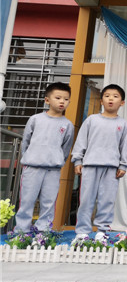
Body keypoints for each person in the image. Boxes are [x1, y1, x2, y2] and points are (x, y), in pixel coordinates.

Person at [72, 84, 127, 242]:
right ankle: (82, 232)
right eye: (107, 96)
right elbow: (81, 141)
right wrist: (78, 160)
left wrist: (123, 165)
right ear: (101, 101)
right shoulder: (92, 120)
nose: (111, 99)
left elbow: (125, 146)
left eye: (115, 96)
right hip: (90, 165)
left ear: (122, 102)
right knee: (86, 199)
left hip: (112, 168)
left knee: (107, 200)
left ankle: (102, 231)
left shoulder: (123, 124)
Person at [14, 82, 74, 232]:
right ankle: (21, 231)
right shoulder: (35, 119)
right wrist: (30, 158)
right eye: (58, 98)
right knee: (27, 200)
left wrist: (57, 161)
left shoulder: (68, 125)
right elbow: (26, 142)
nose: (62, 102)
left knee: (49, 202)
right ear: (47, 100)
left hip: (53, 170)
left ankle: (43, 232)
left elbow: (65, 148)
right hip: (32, 167)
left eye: (66, 99)